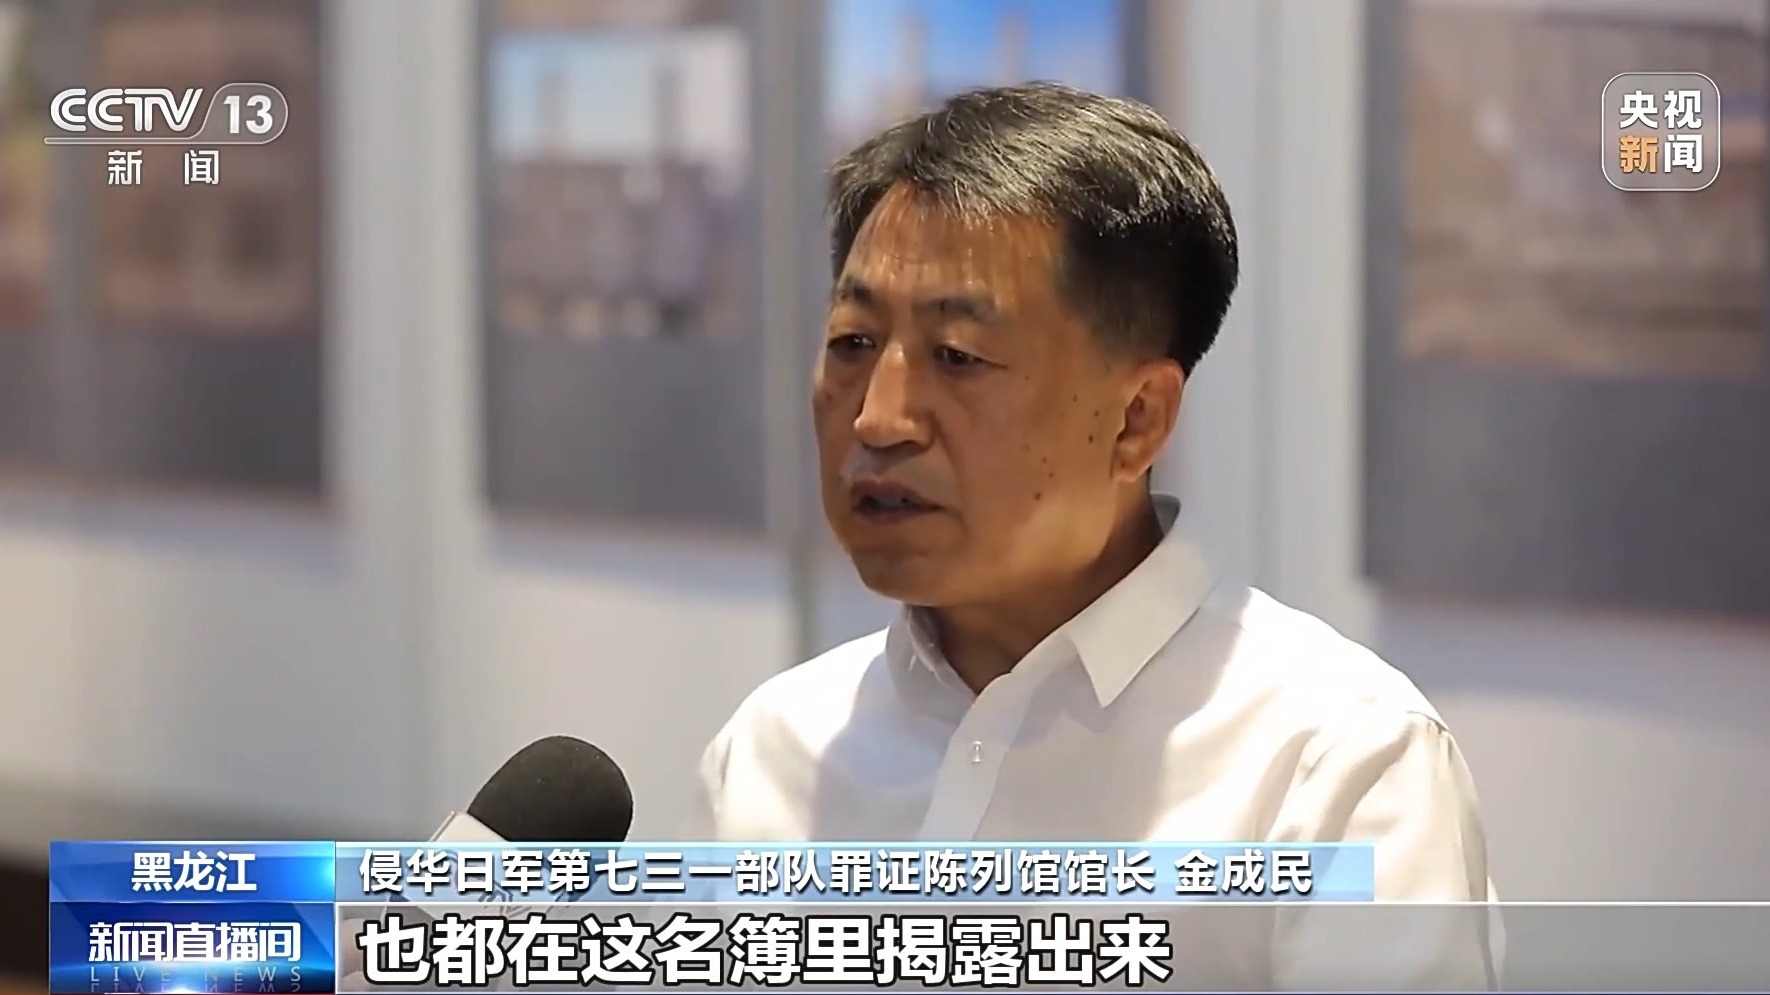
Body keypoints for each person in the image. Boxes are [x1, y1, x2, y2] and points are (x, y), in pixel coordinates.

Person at [688, 83, 1498, 989]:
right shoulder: (774, 747)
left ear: (1136, 419)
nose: (879, 418)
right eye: (852, 342)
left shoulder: (1333, 763)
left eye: (958, 357)